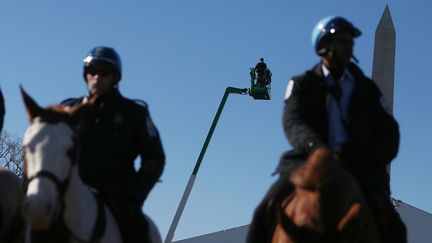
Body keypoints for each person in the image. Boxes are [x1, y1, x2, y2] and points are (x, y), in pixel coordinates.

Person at [247, 16, 406, 243]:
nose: (348, 46)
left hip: (358, 167)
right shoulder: (303, 83)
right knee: (265, 210)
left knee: (393, 226)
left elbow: (389, 131)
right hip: (311, 160)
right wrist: (317, 148)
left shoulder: (368, 89)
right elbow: (293, 122)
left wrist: (370, 158)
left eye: (350, 41)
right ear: (323, 45)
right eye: (342, 40)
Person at [61, 46, 165, 243]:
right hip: (73, 196)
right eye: (92, 72)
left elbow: (154, 159)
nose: (97, 77)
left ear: (115, 77)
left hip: (118, 199)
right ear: (86, 76)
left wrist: (134, 196)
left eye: (104, 72)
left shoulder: (134, 113)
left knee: (140, 232)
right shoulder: (69, 111)